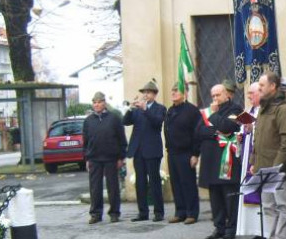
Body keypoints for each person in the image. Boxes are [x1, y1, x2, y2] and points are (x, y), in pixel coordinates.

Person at [252, 73, 286, 239]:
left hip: (277, 169)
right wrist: (254, 164)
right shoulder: (264, 108)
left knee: (282, 206)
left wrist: (277, 166)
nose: (259, 88)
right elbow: (260, 139)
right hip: (264, 168)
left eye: (262, 84)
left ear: (273, 86)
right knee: (268, 207)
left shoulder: (283, 109)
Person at [197, 82, 243, 239]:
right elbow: (199, 131)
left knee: (229, 196)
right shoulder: (206, 112)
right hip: (211, 161)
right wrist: (214, 131)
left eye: (218, 95)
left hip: (226, 160)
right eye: (213, 96)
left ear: (226, 95)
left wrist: (215, 117)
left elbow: (227, 126)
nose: (215, 98)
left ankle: (231, 228)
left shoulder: (235, 109)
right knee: (215, 197)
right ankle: (219, 227)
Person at [123, 80, 167, 222]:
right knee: (140, 182)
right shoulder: (136, 110)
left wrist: (145, 110)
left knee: (154, 181)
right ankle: (143, 212)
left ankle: (158, 212)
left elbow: (157, 122)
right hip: (138, 151)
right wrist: (130, 109)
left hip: (152, 150)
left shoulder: (160, 108)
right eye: (144, 93)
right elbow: (125, 121)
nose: (145, 95)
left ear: (154, 94)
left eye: (148, 92)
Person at [83, 92, 127, 225]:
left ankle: (114, 213)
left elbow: (121, 139)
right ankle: (96, 214)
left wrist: (121, 157)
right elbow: (85, 141)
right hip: (94, 158)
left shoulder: (114, 118)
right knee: (95, 187)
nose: (96, 105)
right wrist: (86, 158)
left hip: (111, 158)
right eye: (94, 102)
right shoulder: (88, 121)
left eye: (99, 102)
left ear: (104, 103)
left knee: (113, 187)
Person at [164, 83, 201, 224]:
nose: (173, 93)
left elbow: (196, 134)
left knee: (188, 183)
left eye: (177, 91)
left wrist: (195, 154)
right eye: (172, 90)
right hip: (172, 153)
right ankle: (180, 212)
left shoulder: (192, 111)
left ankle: (192, 213)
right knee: (176, 183)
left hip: (186, 153)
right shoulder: (170, 110)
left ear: (185, 93)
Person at [237, 82, 264, 239]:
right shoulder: (249, 111)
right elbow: (245, 133)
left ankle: (264, 233)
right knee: (249, 193)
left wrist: (251, 129)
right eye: (248, 94)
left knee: (260, 195)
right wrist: (242, 135)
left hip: (259, 160)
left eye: (251, 93)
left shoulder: (264, 112)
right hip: (248, 158)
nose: (249, 97)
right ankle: (255, 230)